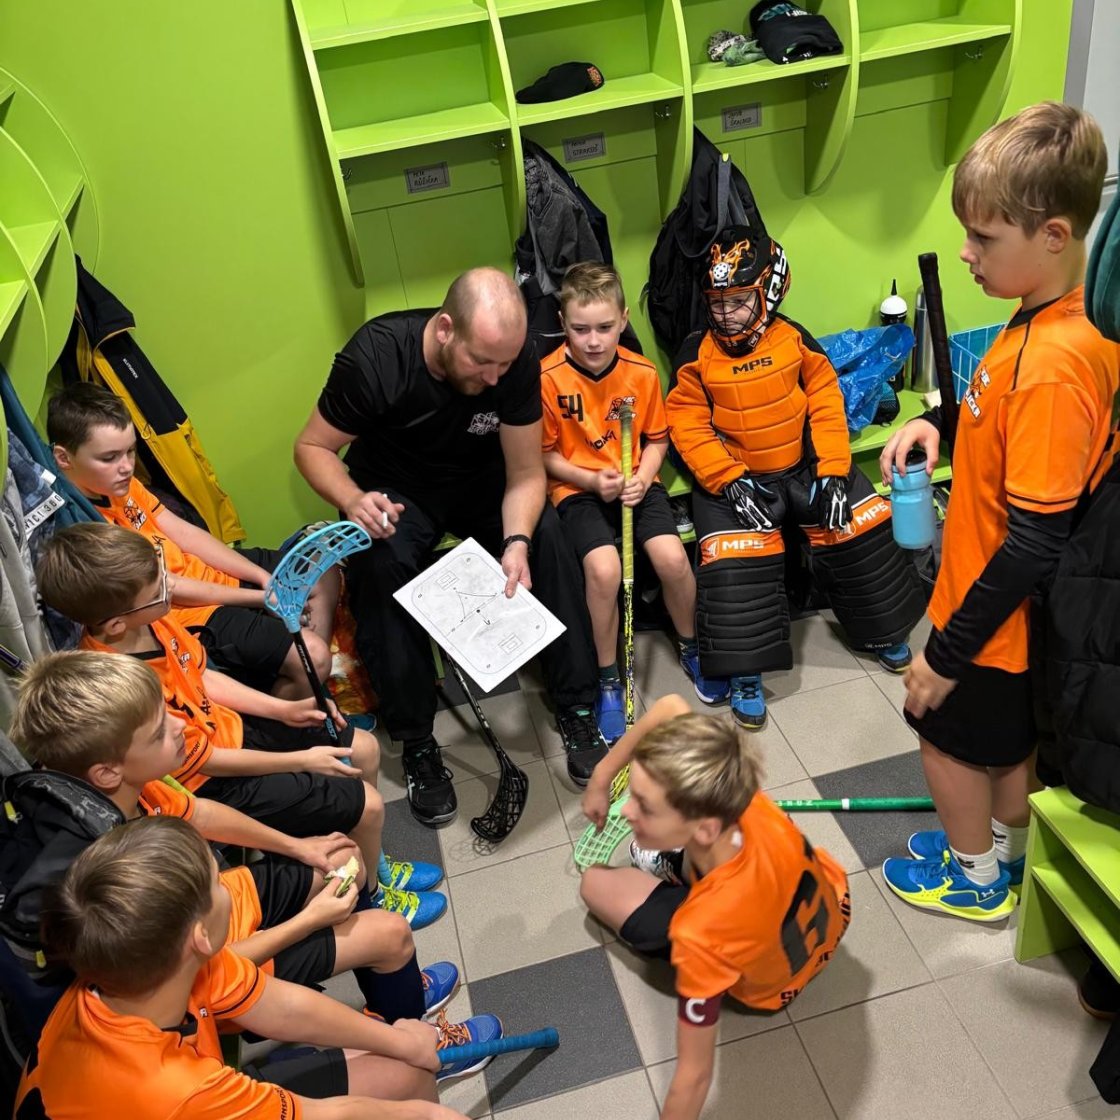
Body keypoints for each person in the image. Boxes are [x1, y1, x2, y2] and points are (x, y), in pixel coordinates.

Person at [880, 102, 1120, 922]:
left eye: (983, 237)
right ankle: (1012, 858)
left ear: (1052, 235)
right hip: (998, 612)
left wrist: (946, 653)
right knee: (1009, 748)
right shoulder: (1048, 311)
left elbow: (1034, 543)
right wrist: (940, 425)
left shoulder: (1056, 364)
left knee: (943, 738)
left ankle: (974, 876)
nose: (966, 252)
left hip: (992, 618)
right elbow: (1010, 427)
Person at [8, 649, 477, 1034]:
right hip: (199, 982)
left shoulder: (115, 790)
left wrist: (299, 847)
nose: (180, 726)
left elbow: (202, 813)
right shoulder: (112, 873)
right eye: (159, 731)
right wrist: (307, 922)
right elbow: (192, 971)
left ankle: (390, 998)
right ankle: (413, 1034)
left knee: (341, 857)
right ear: (107, 770)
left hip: (203, 920)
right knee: (390, 934)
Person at [293, 267, 605, 827]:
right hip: (394, 489)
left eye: (504, 365)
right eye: (481, 362)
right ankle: (416, 740)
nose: (494, 377)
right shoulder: (376, 357)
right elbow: (312, 447)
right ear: (444, 330)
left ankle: (577, 705)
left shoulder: (511, 361)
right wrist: (353, 498)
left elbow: (525, 473)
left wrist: (516, 541)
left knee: (547, 538)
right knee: (380, 567)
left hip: (482, 480)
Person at [35, 520, 445, 928]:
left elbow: (202, 676)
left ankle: (375, 862)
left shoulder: (151, 620)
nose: (171, 586)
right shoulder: (124, 686)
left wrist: (280, 710)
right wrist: (300, 759)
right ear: (115, 625)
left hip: (233, 733)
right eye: (159, 588)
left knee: (364, 749)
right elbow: (204, 761)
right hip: (214, 780)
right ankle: (373, 897)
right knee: (368, 804)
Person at [14, 815, 493, 1119]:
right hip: (189, 1102)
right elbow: (319, 1115)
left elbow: (281, 1006)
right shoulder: (180, 1092)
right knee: (415, 1093)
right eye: (216, 883)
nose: (229, 886)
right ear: (200, 936)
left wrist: (403, 1040)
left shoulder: (160, 967)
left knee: (404, 1068)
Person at [665, 227, 924, 730]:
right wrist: (727, 479)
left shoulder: (793, 338)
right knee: (733, 558)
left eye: (738, 301)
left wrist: (833, 469)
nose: (725, 314)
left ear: (770, 292)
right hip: (738, 479)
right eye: (717, 303)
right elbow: (686, 423)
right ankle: (745, 671)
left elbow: (826, 402)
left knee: (857, 522)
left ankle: (883, 628)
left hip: (803, 466)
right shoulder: (696, 354)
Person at [579, 695, 849, 1120]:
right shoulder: (741, 794)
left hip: (768, 988)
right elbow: (671, 707)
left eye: (644, 806)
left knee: (594, 884)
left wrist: (601, 775)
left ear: (704, 828)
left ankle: (671, 868)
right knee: (692, 866)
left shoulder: (700, 932)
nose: (626, 811)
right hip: (831, 908)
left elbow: (694, 1077)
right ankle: (679, 863)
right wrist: (603, 775)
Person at [48, 381, 338, 700]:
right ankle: (296, 709)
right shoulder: (85, 531)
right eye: (109, 458)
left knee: (322, 566)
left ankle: (313, 685)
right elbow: (166, 588)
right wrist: (262, 597)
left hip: (206, 575)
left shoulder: (119, 485)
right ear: (64, 458)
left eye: (130, 451)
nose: (126, 467)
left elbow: (184, 533)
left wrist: (259, 577)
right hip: (186, 611)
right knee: (314, 657)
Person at [540, 263, 727, 743]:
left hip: (637, 483)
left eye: (605, 327)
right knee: (604, 570)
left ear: (623, 319)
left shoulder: (640, 373)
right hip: (578, 490)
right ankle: (607, 678)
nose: (593, 341)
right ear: (563, 324)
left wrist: (643, 478)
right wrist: (590, 479)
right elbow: (544, 455)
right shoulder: (547, 378)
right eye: (580, 329)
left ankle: (691, 646)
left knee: (671, 558)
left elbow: (658, 439)